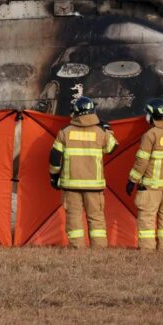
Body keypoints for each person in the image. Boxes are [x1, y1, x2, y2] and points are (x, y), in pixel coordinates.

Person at [49, 96, 118, 249]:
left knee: (74, 217)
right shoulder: (100, 132)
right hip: (94, 186)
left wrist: (54, 177)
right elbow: (112, 147)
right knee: (96, 218)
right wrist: (107, 129)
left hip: (70, 185)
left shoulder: (65, 132)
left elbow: (55, 157)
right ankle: (99, 248)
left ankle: (77, 248)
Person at [127, 99, 163, 251]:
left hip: (151, 185)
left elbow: (141, 161)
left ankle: (147, 250)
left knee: (147, 218)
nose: (146, 116)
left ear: (154, 115)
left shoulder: (151, 134)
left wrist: (132, 180)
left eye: (148, 113)